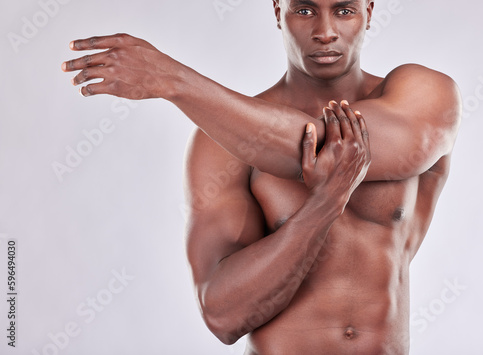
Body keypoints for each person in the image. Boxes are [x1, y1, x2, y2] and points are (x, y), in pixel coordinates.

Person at [61, 0, 461, 353]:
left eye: (344, 10)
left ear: (368, 12)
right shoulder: (221, 140)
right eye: (304, 10)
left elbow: (321, 144)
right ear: (277, 12)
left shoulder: (425, 95)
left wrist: (175, 81)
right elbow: (222, 316)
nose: (325, 32)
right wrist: (322, 206)